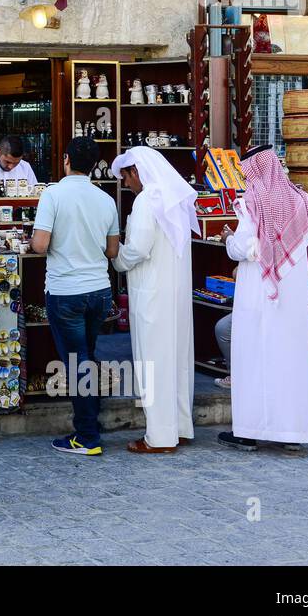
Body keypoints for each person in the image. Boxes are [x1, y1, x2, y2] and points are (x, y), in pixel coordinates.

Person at [218, 145, 308, 451]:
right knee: (291, 362)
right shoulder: (304, 201)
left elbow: (242, 248)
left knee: (253, 359)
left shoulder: (252, 202)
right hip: (294, 298)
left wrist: (228, 239)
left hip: (259, 293)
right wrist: (302, 279)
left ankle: (248, 432)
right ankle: (294, 435)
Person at [30, 136, 120, 456]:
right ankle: (90, 422)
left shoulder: (53, 194)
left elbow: (40, 245)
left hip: (66, 291)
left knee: (77, 363)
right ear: (96, 164)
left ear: (66, 159)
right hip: (99, 290)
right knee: (86, 357)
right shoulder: (106, 199)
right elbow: (112, 250)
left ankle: (86, 435)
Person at [111, 147, 200, 453]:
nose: (126, 184)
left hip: (152, 295)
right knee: (176, 360)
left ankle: (160, 437)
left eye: (126, 177)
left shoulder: (147, 200)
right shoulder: (174, 199)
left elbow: (137, 249)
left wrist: (115, 258)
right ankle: (180, 426)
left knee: (154, 363)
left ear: (136, 172)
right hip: (173, 295)